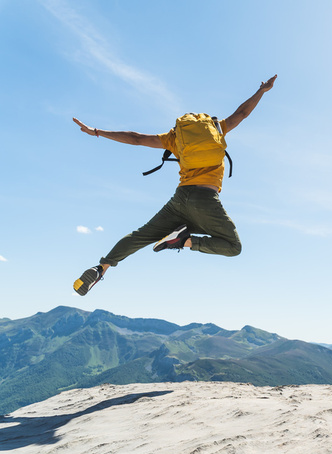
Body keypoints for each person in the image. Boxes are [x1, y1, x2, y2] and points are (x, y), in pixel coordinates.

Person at [72, 75, 277, 296]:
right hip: (205, 200)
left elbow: (136, 138)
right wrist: (261, 91)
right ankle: (184, 240)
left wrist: (97, 132)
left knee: (140, 235)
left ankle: (101, 268)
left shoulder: (174, 138)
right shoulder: (219, 129)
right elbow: (242, 113)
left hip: (179, 199)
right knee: (233, 247)